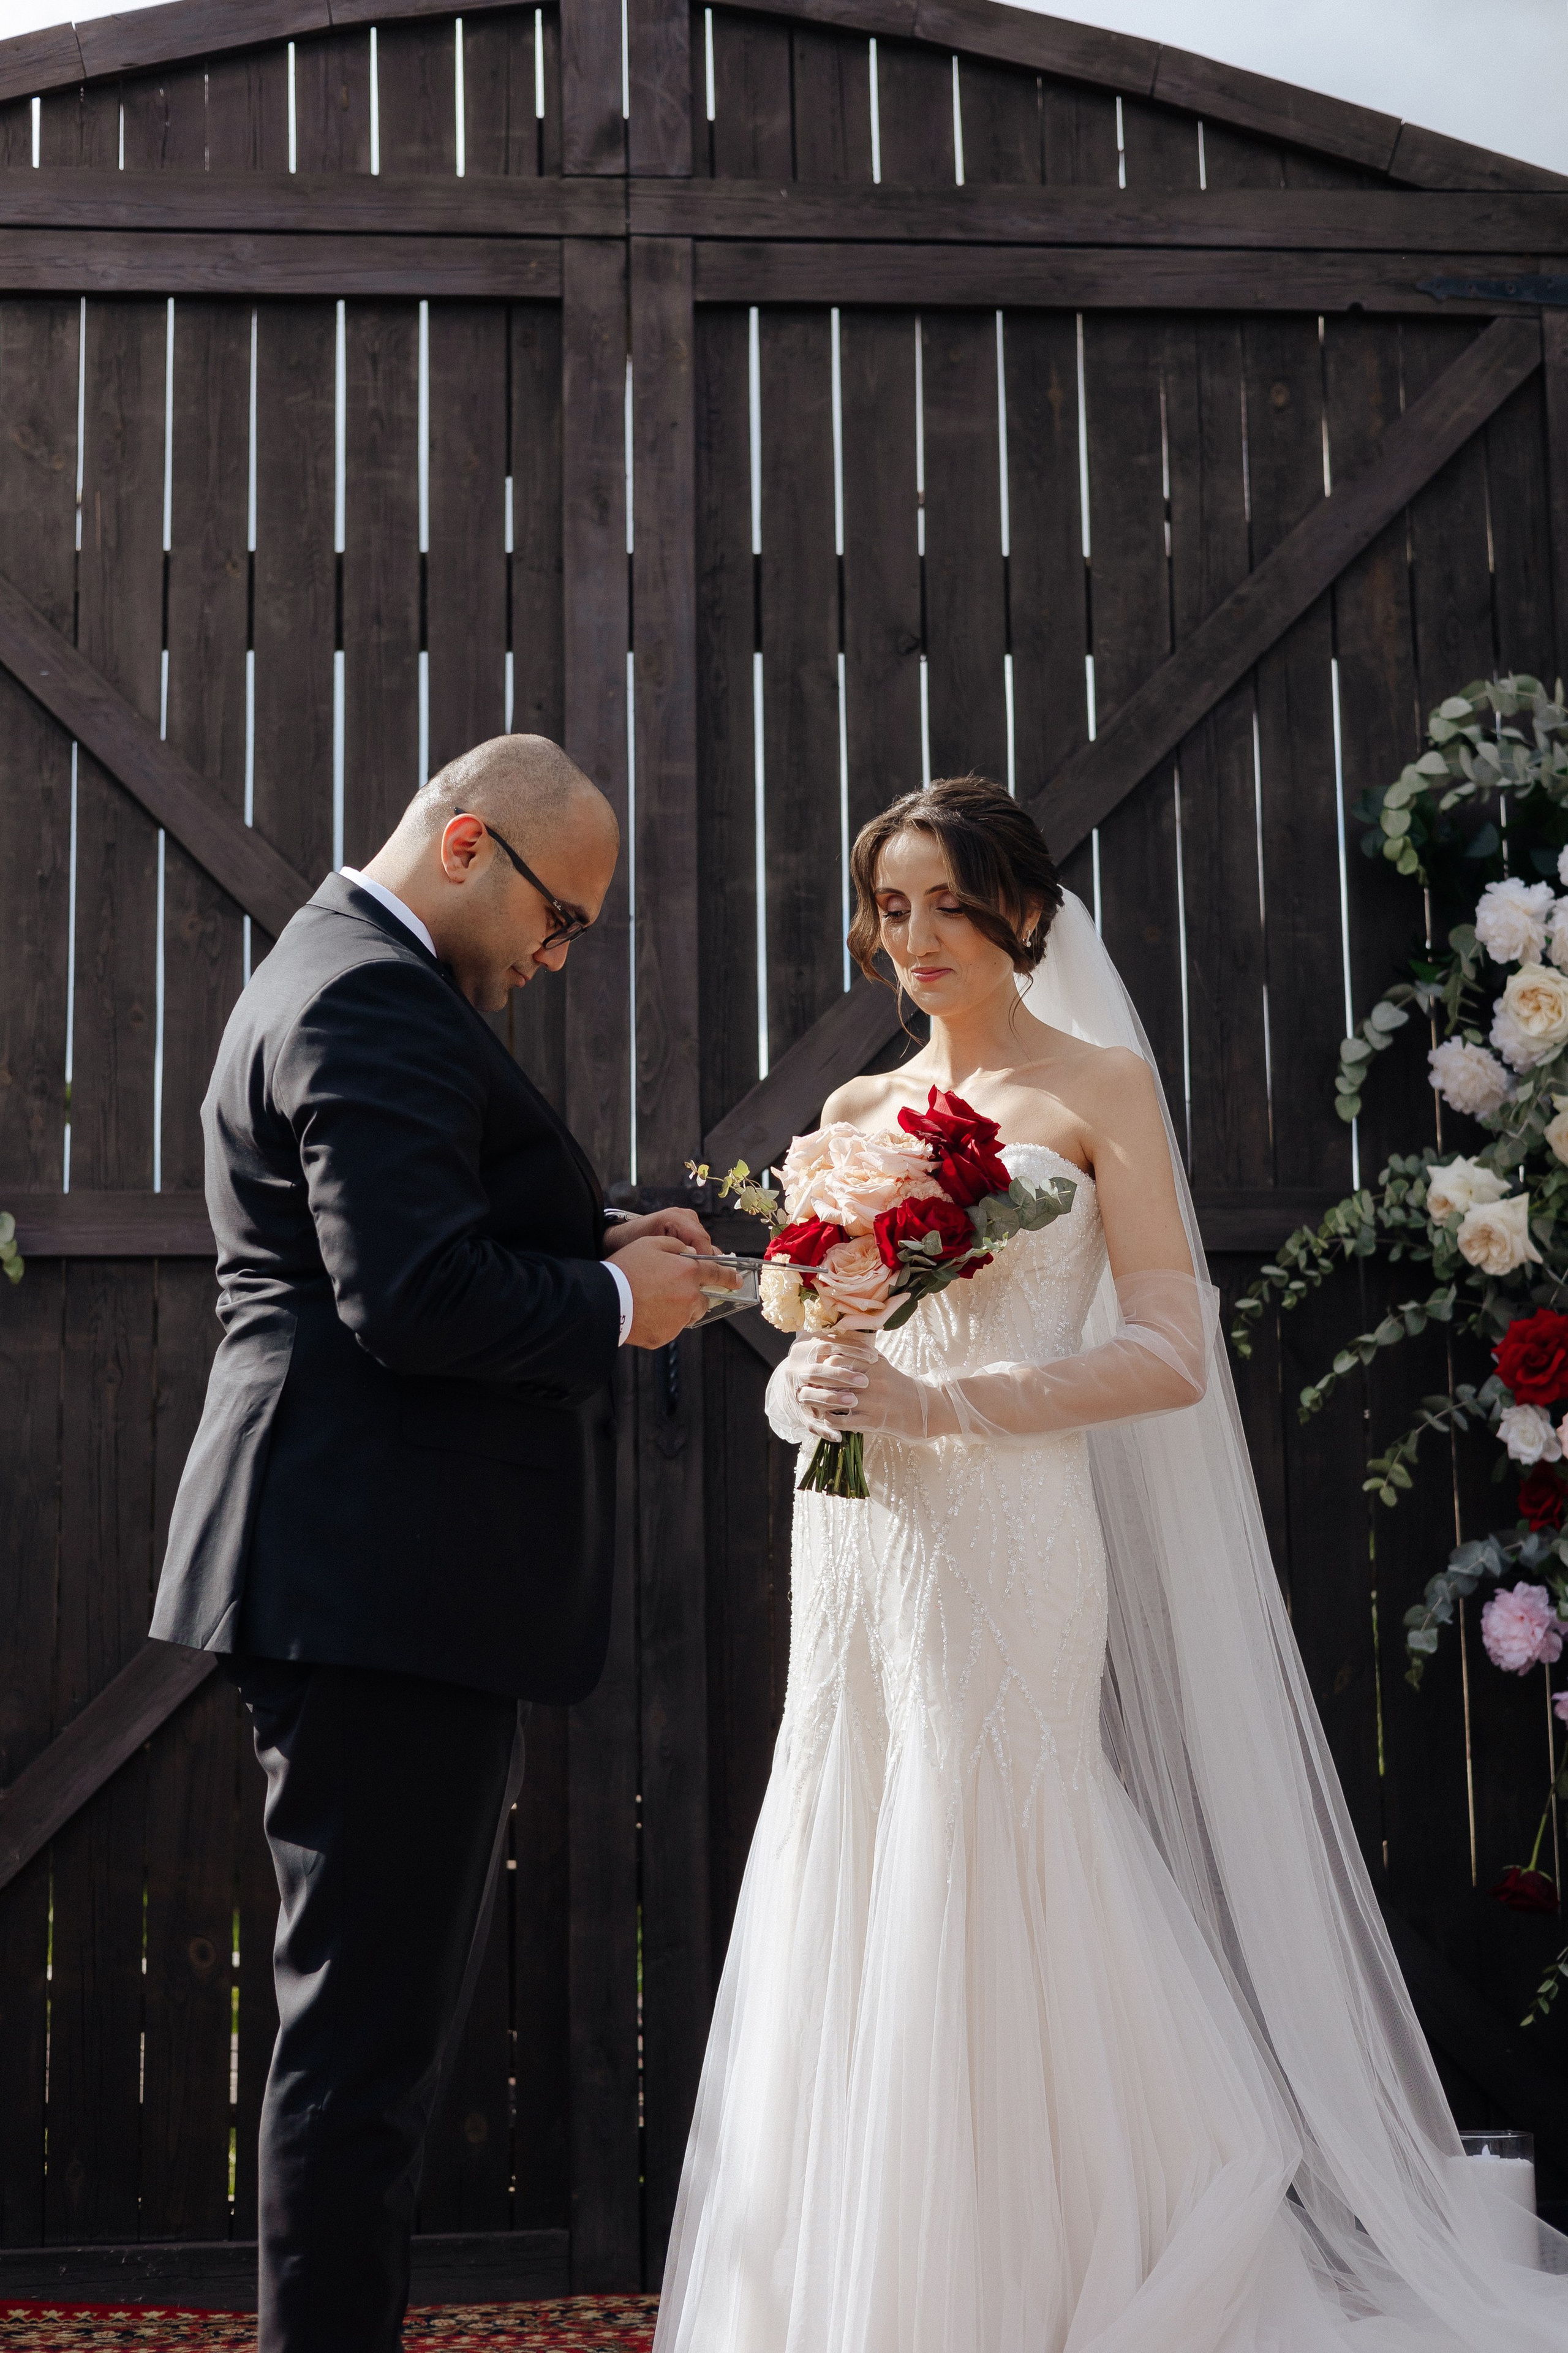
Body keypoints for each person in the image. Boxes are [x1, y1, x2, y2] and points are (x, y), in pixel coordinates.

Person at [655, 774, 1568, 2351]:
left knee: (999, 1823)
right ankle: (856, 2281)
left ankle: (1032, 2271)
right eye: (891, 907)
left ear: (1021, 911)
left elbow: (1166, 1352)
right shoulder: (853, 1123)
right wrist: (792, 1382)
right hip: (856, 1540)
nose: (917, 936)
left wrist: (949, 1400)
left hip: (1009, 1529)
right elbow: (803, 1335)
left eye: (948, 901)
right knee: (852, 1820)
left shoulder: (1096, 1092)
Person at [150, 735, 717, 2353]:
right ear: (468, 843)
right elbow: (403, 1298)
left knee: (366, 2043)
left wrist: (596, 1235)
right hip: (368, 1582)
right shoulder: (367, 994)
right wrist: (616, 1305)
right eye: (562, 920)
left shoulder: (360, 976)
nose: (555, 957)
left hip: (372, 1578)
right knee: (362, 2058)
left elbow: (420, 1227)